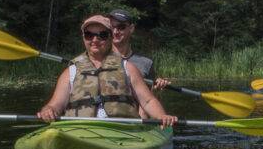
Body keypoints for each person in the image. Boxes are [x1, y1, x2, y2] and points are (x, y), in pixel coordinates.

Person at [37, 15, 177, 127]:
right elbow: (55, 104)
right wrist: (48, 110)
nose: (95, 40)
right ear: (83, 37)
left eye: (102, 35)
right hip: (79, 128)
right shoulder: (71, 71)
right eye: (89, 35)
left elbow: (147, 101)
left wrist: (161, 116)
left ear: (110, 37)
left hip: (120, 129)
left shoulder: (127, 67)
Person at [107, 8, 170, 92]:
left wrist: (157, 87)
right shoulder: (98, 59)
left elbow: (149, 100)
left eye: (121, 27)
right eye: (112, 27)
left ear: (131, 28)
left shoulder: (146, 63)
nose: (115, 31)